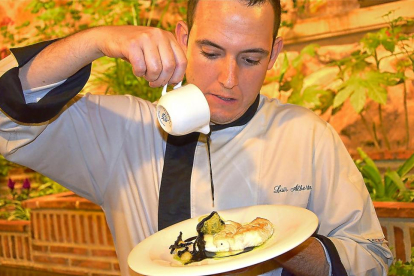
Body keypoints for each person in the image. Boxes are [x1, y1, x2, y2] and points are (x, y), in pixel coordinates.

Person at [0, 0, 392, 275]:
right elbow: (7, 119)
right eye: (210, 52)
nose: (228, 79)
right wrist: (94, 41)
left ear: (273, 55)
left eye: (250, 59)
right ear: (183, 37)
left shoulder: (309, 136)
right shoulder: (124, 131)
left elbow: (372, 258)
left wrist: (288, 245)